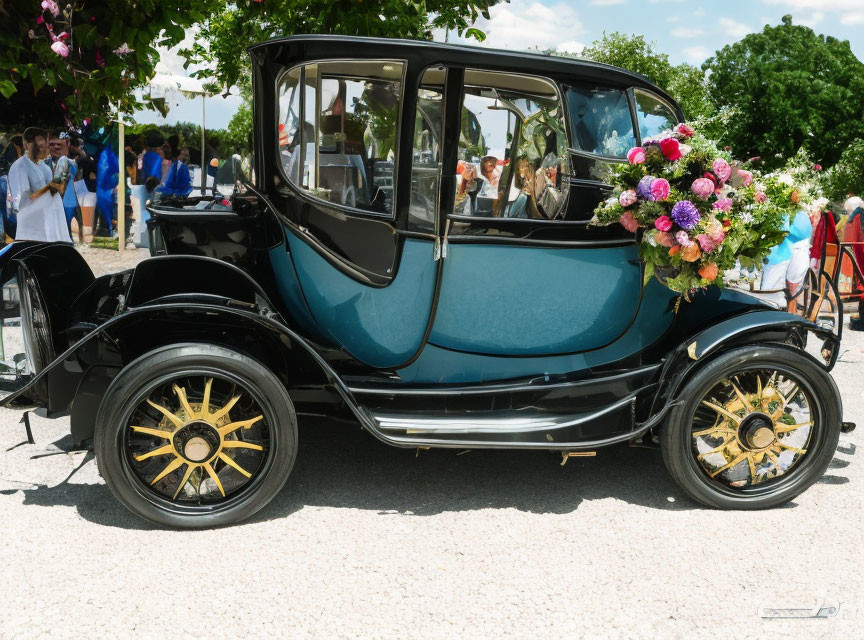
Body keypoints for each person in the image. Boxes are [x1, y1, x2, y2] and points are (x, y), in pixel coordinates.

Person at [6, 127, 72, 243]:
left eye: (45, 141)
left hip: (48, 226)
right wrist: (49, 187)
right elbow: (22, 203)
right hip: (30, 230)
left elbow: (53, 195)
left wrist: (58, 187)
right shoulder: (19, 166)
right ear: (27, 144)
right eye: (40, 140)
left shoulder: (45, 168)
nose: (45, 145)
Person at [761, 208, 813, 312]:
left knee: (790, 283)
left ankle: (787, 308)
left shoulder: (798, 213)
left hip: (794, 246)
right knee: (772, 290)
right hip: (779, 250)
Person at [44, 130, 82, 241]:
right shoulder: (47, 162)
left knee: (64, 230)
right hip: (62, 201)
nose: (55, 147)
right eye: (52, 144)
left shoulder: (68, 161)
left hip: (65, 201)